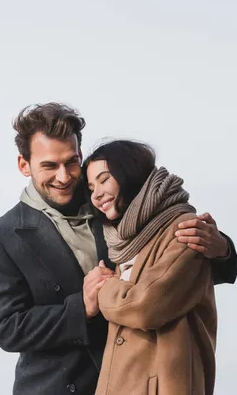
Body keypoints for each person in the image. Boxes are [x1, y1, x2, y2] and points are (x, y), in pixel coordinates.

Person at [0, 102, 237, 395]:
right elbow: (7, 327)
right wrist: (82, 307)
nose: (64, 176)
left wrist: (221, 250)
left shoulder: (110, 197)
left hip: (133, 378)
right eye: (49, 166)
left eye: (71, 162)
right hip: (55, 387)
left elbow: (170, 260)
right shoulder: (5, 234)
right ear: (23, 165)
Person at [84, 140, 219, 395]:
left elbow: (146, 307)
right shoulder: (123, 239)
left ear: (130, 173)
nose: (97, 194)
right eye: (91, 187)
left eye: (104, 180)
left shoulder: (186, 230)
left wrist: (102, 288)